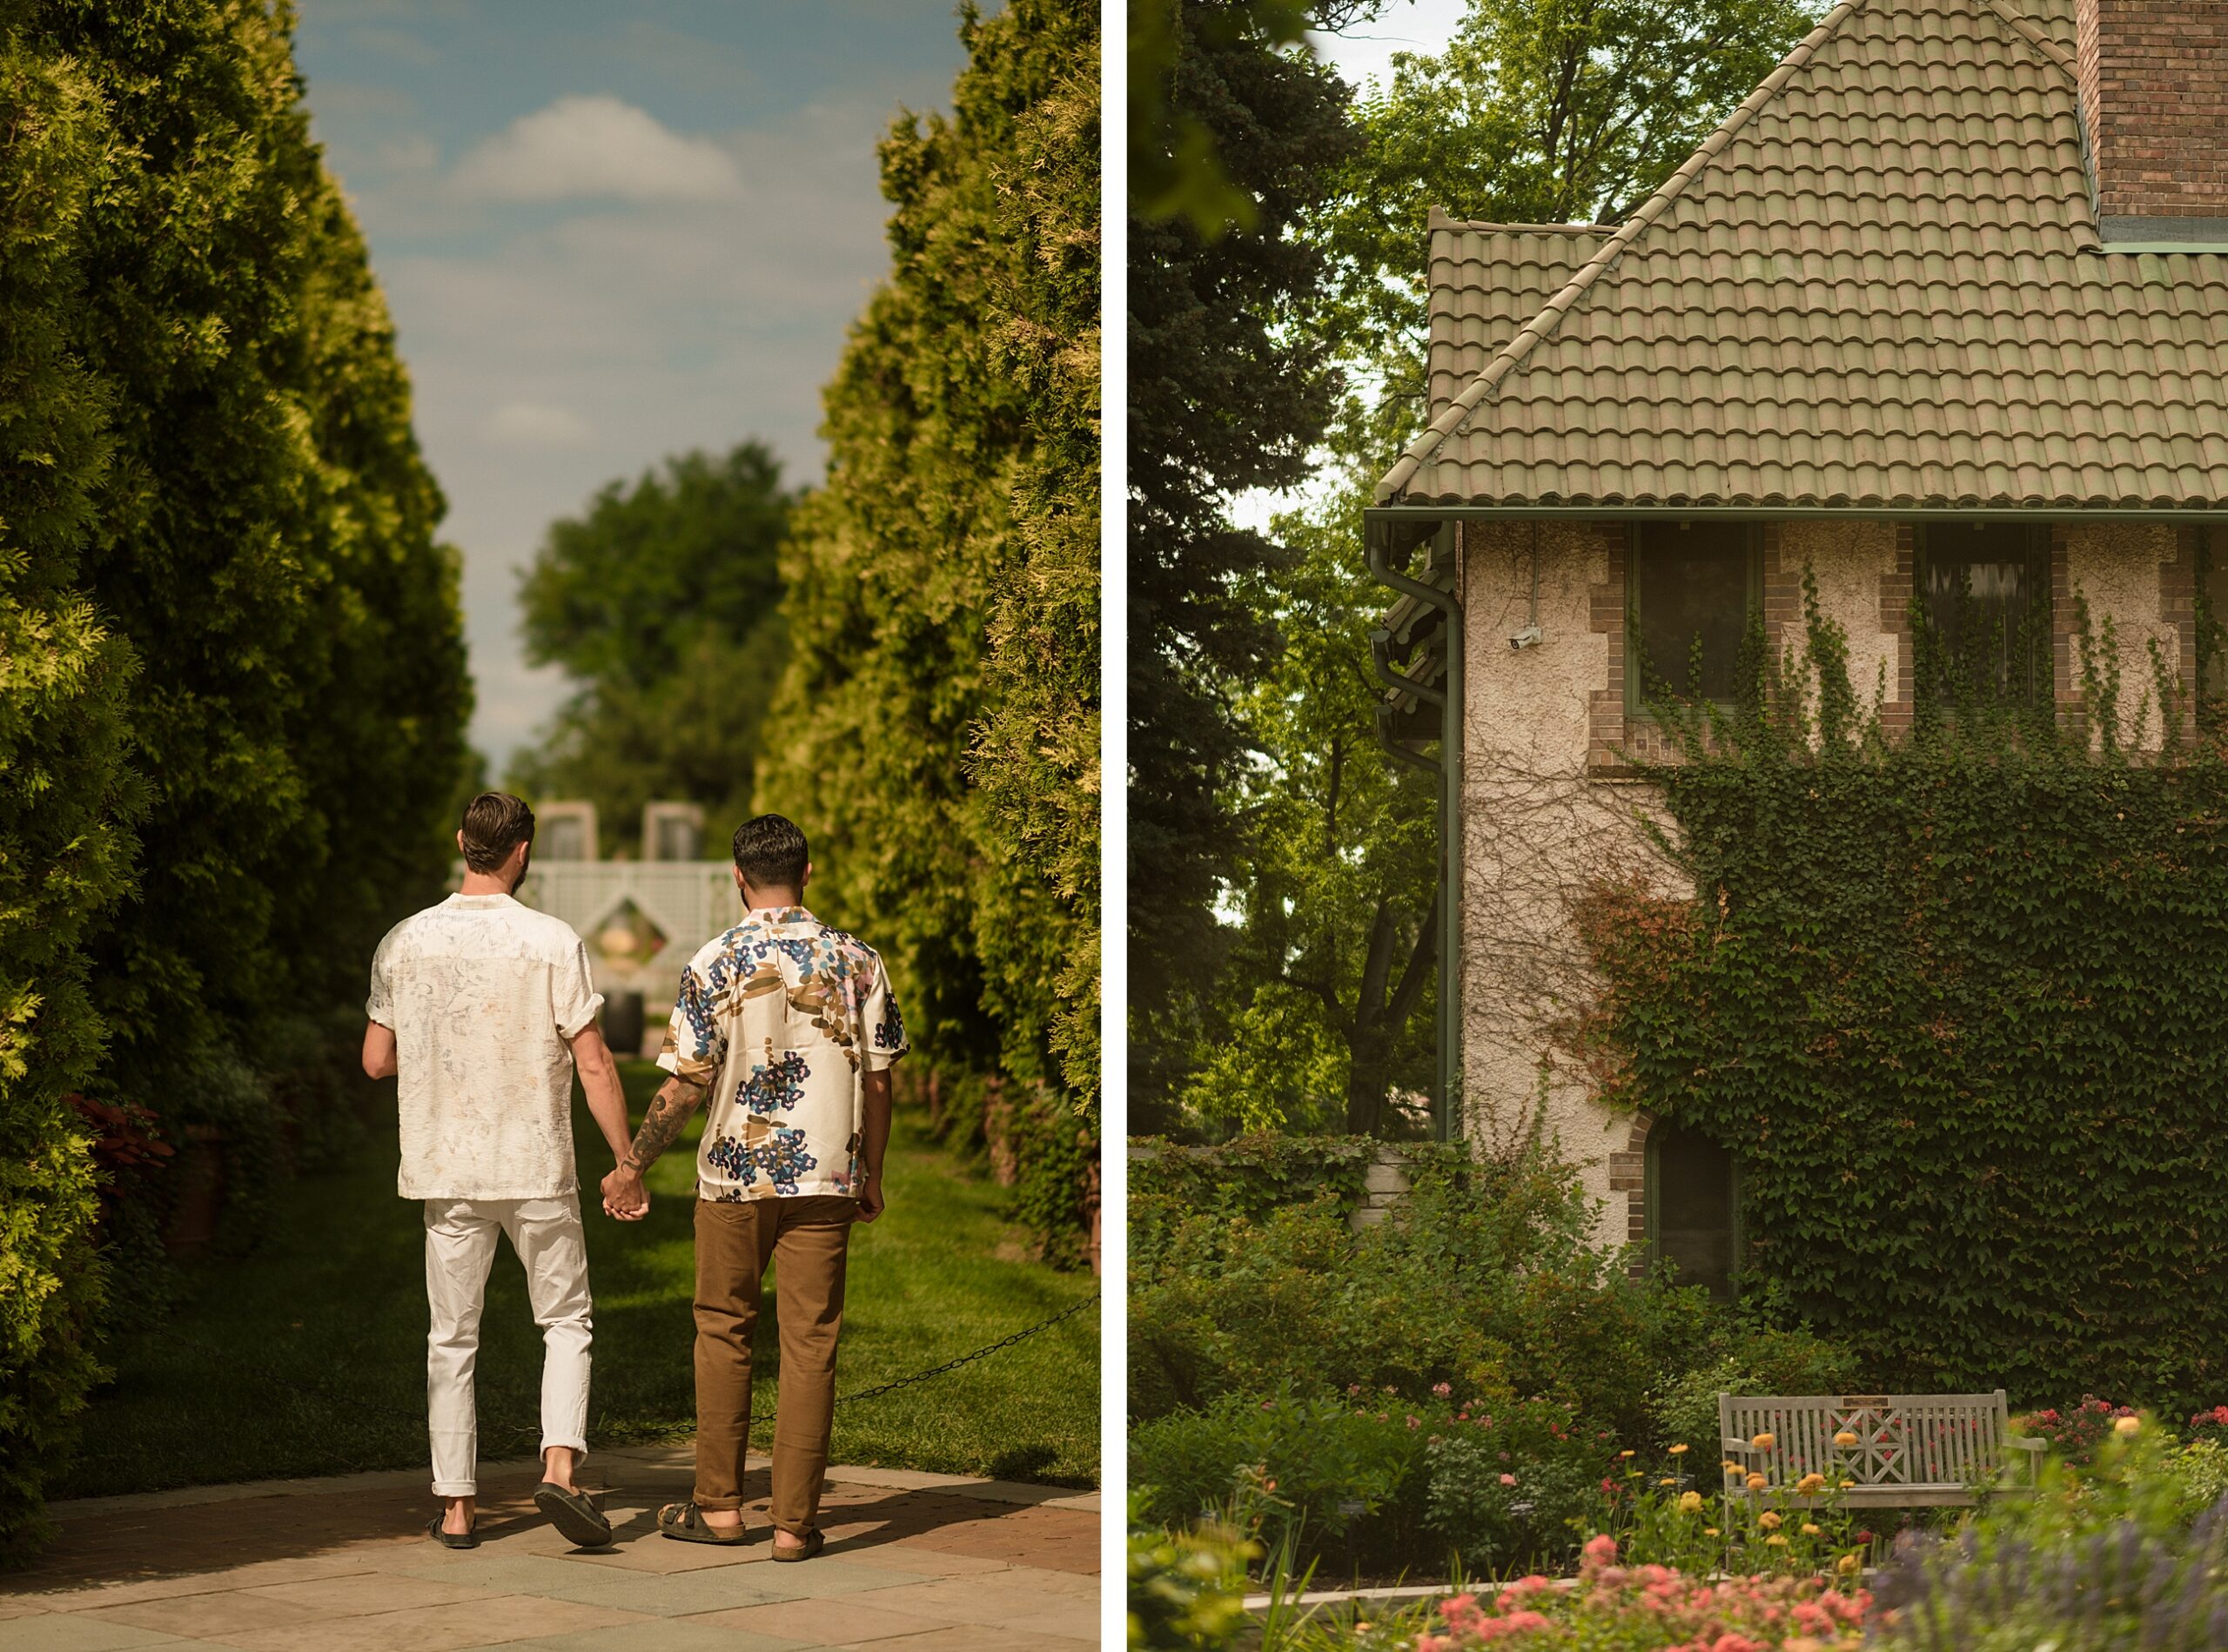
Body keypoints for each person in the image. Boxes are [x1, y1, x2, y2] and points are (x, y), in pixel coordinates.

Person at [601, 812, 905, 1559]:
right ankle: (797, 1526)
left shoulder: (714, 960)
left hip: (733, 1180)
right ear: (808, 872)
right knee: (811, 1346)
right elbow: (881, 1078)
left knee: (723, 1331)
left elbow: (684, 1085)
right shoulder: (857, 960)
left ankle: (721, 1509)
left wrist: (632, 1164)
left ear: (738, 878)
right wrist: (871, 1172)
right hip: (827, 1177)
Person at [363, 790, 640, 1550]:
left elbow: (375, 1060)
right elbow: (594, 1062)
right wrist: (626, 1160)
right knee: (565, 1321)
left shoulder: (404, 941)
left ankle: (456, 1507)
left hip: (446, 1172)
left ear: (462, 842)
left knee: (452, 1338)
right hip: (536, 1167)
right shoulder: (552, 941)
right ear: (523, 851)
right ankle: (558, 1470)